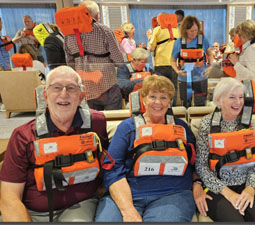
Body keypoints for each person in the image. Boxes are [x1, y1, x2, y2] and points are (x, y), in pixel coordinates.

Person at [0, 65, 109, 222]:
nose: (63, 94)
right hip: (32, 212)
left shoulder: (97, 123)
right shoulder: (23, 136)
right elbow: (9, 197)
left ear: (81, 96)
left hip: (79, 207)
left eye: (71, 88)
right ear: (45, 95)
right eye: (56, 87)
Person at [95, 75, 197, 222]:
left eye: (164, 97)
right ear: (143, 99)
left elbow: (195, 161)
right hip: (129, 192)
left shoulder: (181, 128)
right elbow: (112, 167)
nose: (158, 102)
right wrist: (128, 209)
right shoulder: (127, 128)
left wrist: (198, 184)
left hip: (173, 194)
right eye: (152, 96)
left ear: (170, 101)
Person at [195, 77, 255, 222]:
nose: (238, 102)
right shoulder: (207, 124)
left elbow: (254, 163)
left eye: (241, 97)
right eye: (232, 97)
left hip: (245, 186)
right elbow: (201, 166)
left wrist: (250, 189)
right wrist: (228, 193)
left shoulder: (247, 123)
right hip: (217, 189)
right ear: (219, 100)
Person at [64, 0, 124, 110]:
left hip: (85, 86)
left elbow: (70, 63)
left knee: (93, 122)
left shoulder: (68, 34)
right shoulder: (104, 30)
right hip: (107, 84)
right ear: (96, 15)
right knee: (114, 119)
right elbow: (118, 60)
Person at [170, 15, 214, 107]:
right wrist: (177, 71)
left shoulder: (203, 39)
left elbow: (210, 54)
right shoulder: (179, 42)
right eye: (191, 31)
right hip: (184, 78)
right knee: (186, 104)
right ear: (185, 30)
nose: (194, 33)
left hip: (201, 77)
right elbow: (172, 60)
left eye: (196, 30)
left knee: (201, 104)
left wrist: (210, 67)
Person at [228, 19, 255, 99]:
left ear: (246, 34)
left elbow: (251, 74)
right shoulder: (251, 47)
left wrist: (236, 63)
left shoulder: (251, 49)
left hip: (251, 90)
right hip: (249, 88)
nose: (239, 37)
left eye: (240, 35)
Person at [149, 12, 180, 102]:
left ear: (160, 20)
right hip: (174, 65)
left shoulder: (157, 29)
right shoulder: (177, 30)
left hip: (160, 64)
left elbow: (151, 48)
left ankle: (162, 109)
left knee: (160, 89)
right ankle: (172, 109)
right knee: (173, 88)